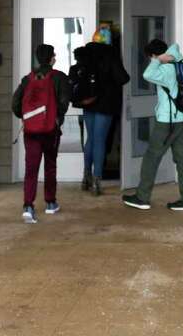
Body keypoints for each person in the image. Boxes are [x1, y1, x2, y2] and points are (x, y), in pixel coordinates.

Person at [122, 39, 183, 212]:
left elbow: (147, 75)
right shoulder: (180, 62)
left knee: (151, 157)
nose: (151, 61)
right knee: (182, 158)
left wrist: (157, 60)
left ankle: (142, 197)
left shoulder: (165, 69)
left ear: (154, 55)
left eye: (152, 57)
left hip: (167, 121)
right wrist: (163, 57)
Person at [12, 43, 72, 224]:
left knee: (31, 168)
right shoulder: (59, 77)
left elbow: (15, 104)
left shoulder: (28, 79)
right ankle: (50, 203)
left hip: (31, 131)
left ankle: (28, 206)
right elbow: (63, 103)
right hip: (50, 130)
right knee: (50, 165)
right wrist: (56, 117)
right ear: (51, 58)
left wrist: (27, 118)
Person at [70, 35, 130, 196]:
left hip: (88, 103)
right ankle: (97, 180)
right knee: (100, 140)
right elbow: (123, 78)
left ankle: (86, 177)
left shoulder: (85, 53)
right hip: (106, 103)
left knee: (90, 139)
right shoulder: (110, 54)